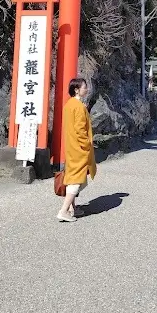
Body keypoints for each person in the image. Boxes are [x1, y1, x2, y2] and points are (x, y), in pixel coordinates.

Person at [57, 77, 97, 223]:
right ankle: (63, 210)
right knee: (76, 179)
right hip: (79, 148)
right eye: (84, 87)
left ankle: (72, 208)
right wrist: (87, 144)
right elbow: (80, 130)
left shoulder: (69, 105)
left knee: (72, 176)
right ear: (77, 89)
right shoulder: (79, 107)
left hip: (71, 146)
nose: (86, 89)